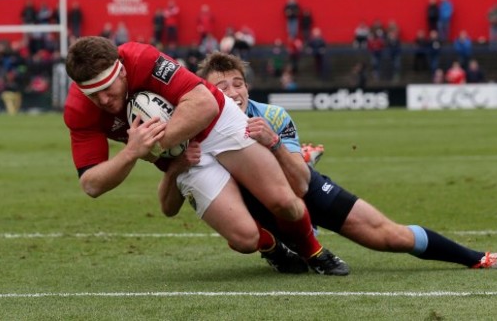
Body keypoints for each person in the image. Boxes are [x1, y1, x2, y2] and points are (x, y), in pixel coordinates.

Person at [159, 51, 497, 273]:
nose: (232, 93)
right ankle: (279, 247)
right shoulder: (192, 131)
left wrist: (272, 144)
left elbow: (300, 185)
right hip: (260, 212)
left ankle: (479, 258)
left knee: (389, 236)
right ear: (205, 95)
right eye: (220, 88)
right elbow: (169, 207)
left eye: (237, 83)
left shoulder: (272, 115)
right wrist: (176, 166)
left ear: (248, 87)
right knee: (246, 238)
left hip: (301, 188)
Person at [63, 36, 346, 276]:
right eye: (92, 94)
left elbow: (204, 105)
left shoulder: (142, 58)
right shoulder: (78, 111)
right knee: (246, 239)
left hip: (217, 123)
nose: (102, 101)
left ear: (121, 71)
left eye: (106, 89)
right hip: (184, 158)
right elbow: (91, 184)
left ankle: (314, 252)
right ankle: (273, 248)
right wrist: (131, 153)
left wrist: (157, 147)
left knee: (284, 202)